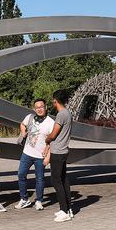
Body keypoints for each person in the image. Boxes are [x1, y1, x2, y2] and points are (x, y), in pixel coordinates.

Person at [16, 99, 54, 210]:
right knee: (21, 175)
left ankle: (39, 201)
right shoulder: (30, 117)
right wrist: (23, 132)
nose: (39, 109)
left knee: (40, 179)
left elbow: (52, 140)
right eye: (37, 107)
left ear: (46, 107)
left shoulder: (50, 123)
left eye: (41, 106)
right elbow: (22, 124)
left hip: (40, 156)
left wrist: (48, 156)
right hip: (27, 153)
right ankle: (24, 199)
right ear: (34, 109)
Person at [45, 90, 74, 222]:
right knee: (63, 179)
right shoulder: (67, 113)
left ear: (55, 100)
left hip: (58, 151)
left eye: (53, 100)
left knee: (56, 180)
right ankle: (69, 208)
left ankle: (64, 210)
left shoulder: (61, 114)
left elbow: (54, 133)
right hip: (64, 150)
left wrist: (47, 140)